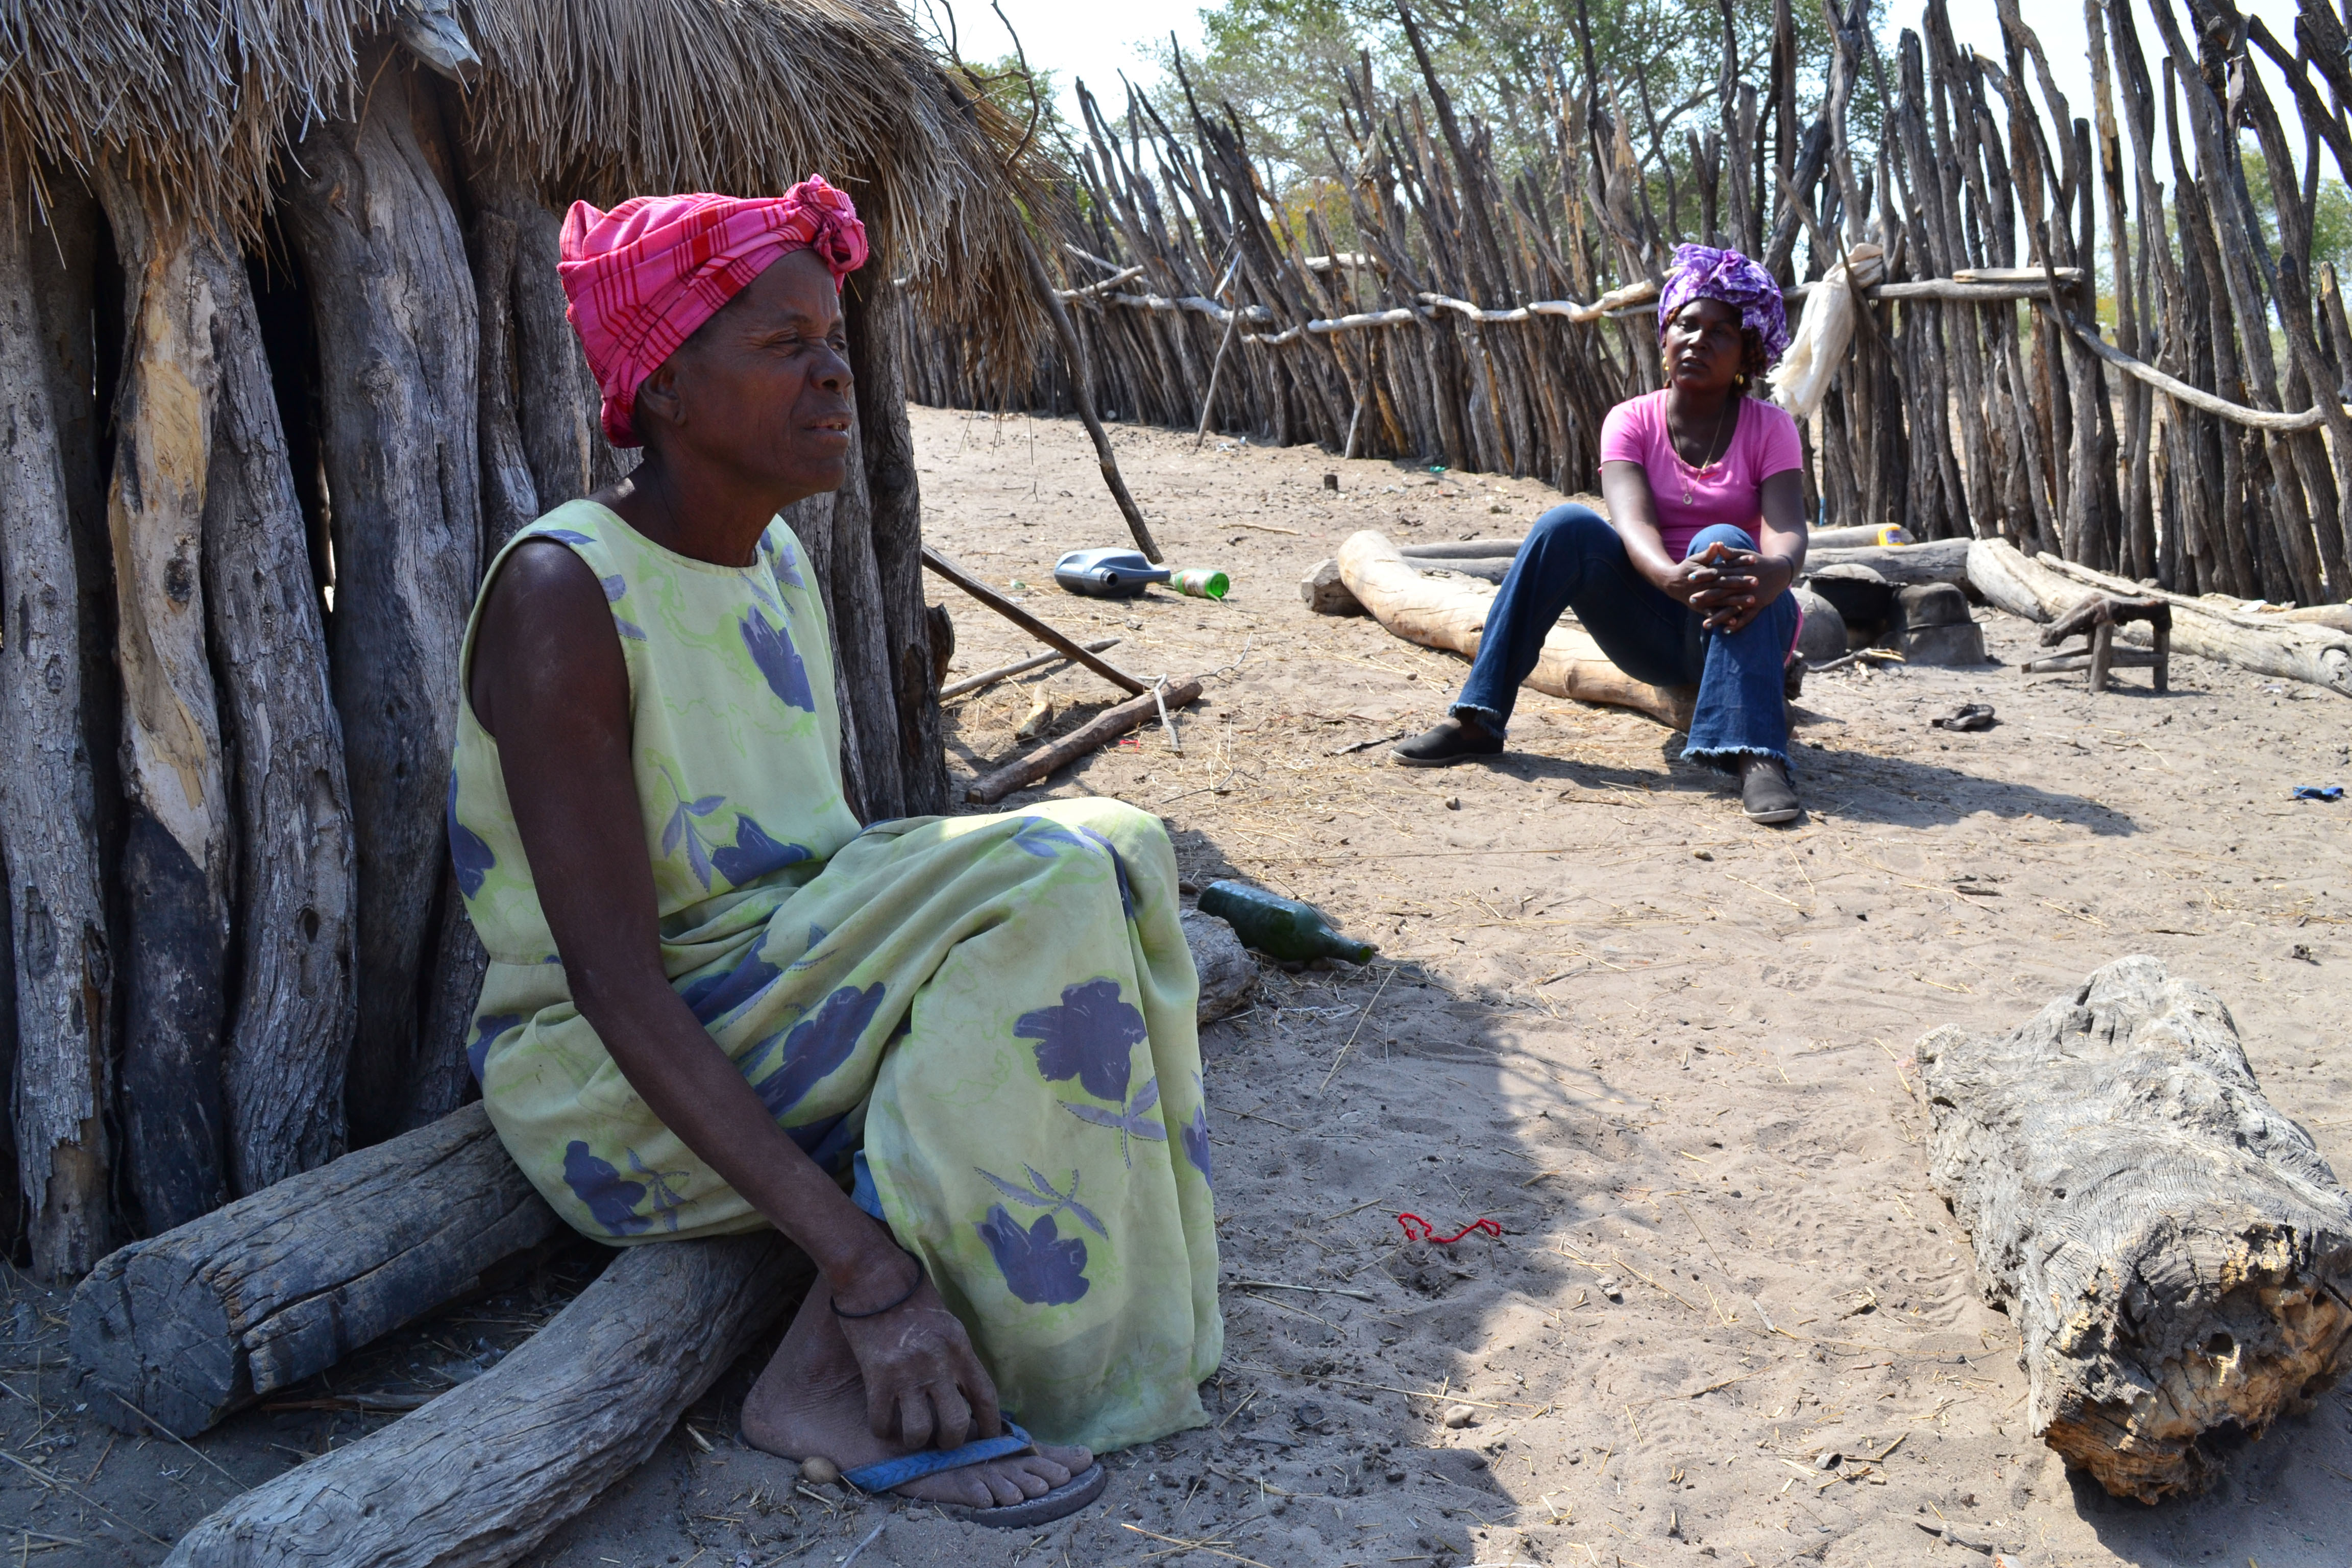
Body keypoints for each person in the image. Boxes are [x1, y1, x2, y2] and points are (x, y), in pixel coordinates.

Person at [448, 180, 1219, 1527]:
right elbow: (616, 986)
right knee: (1047, 869)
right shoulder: (567, 594)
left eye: (834, 339)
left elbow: (830, 863)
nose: (831, 375)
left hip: (780, 1001)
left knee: (1122, 845)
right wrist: (869, 1267)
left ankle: (1011, 1324)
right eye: (781, 343)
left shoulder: (778, 567)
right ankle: (830, 1361)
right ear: (668, 388)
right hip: (613, 1090)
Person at [1393, 243, 1810, 824]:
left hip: (1739, 613)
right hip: (1655, 618)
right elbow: (1630, 520)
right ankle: (1477, 719)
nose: (1698, 340)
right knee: (1564, 524)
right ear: (1664, 338)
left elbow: (1787, 527)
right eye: (1686, 325)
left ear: (1747, 351)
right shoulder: (1631, 420)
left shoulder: (1771, 428)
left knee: (1721, 538)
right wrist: (1667, 577)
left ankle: (1759, 757)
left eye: (1721, 332)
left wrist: (1779, 571)